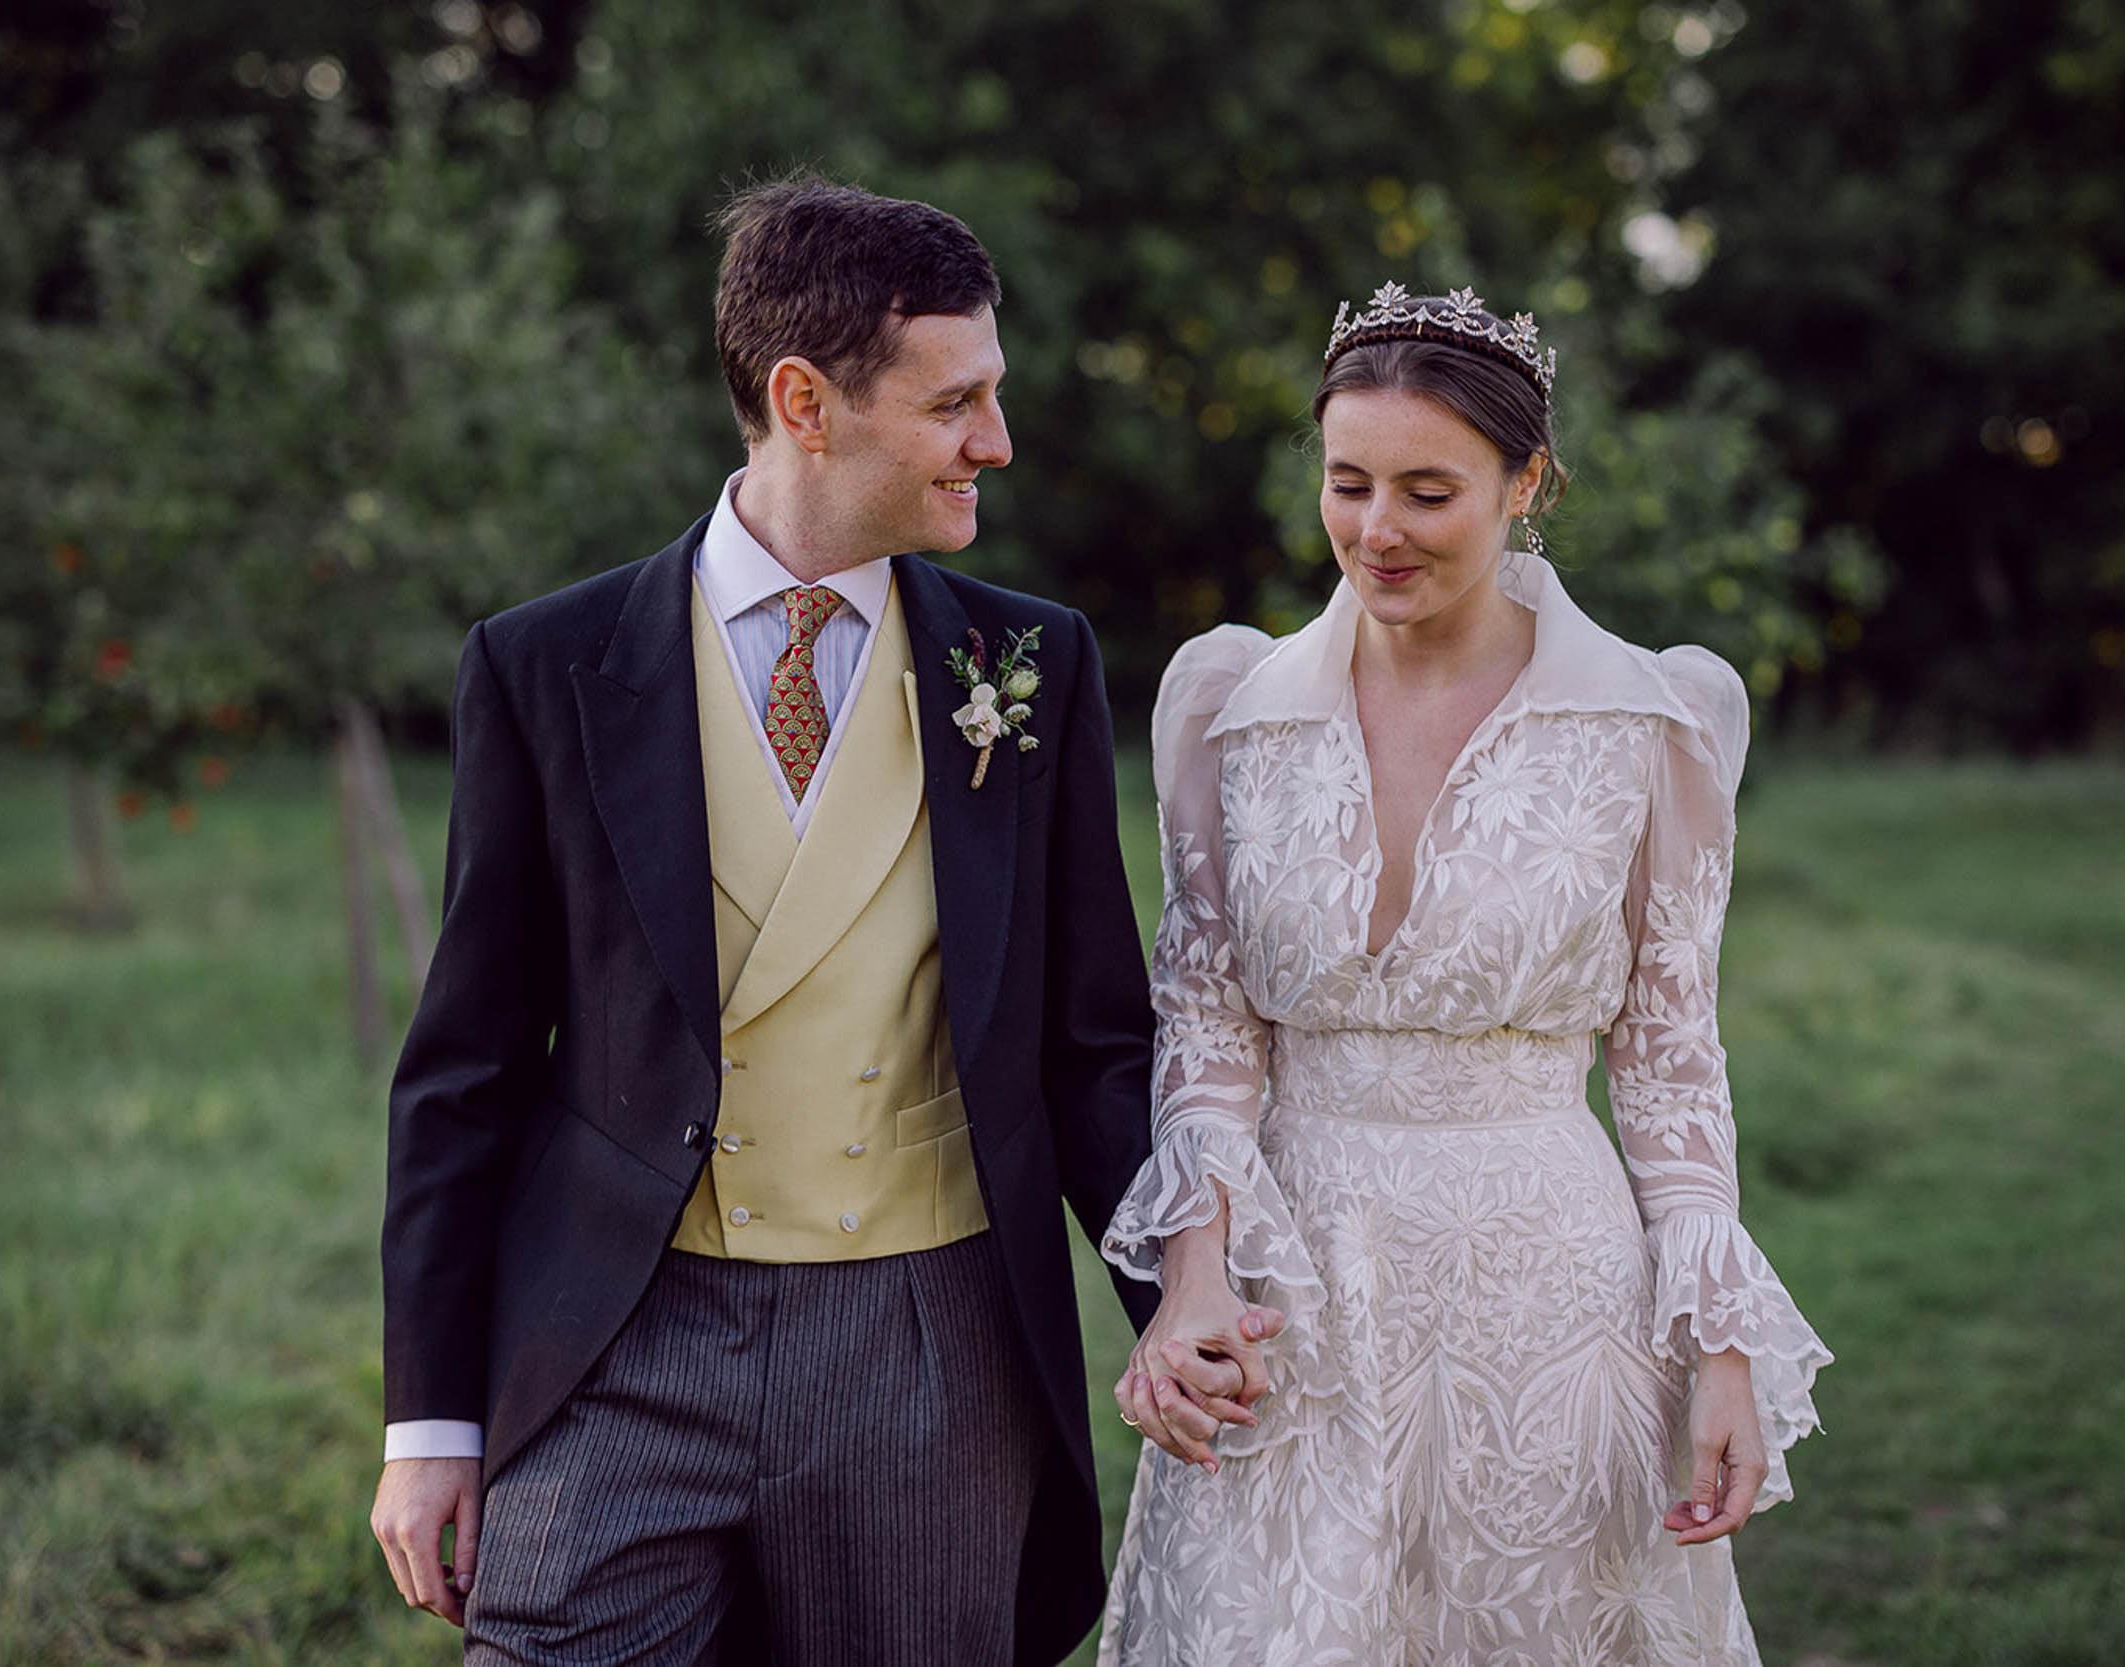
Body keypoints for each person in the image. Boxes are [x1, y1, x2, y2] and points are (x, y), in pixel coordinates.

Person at [367, 178, 1277, 1667]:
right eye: (955, 403)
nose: (997, 440)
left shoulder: (1031, 663)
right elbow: (465, 1070)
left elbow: (1093, 1048)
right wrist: (430, 1422)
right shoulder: (543, 668)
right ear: (805, 402)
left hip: (932, 1350)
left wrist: (1175, 1292)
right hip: (621, 1333)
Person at [1097, 283, 1832, 1664]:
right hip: (1294, 1289)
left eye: (1428, 492)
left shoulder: (1651, 719)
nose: (1378, 529)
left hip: (1549, 1300)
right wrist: (1192, 1280)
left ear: (1525, 483)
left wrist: (1721, 1350)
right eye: (1349, 483)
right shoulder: (1230, 706)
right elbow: (1206, 1023)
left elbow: (1670, 1058)